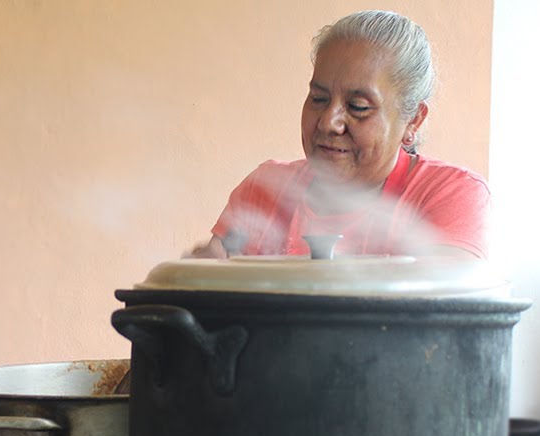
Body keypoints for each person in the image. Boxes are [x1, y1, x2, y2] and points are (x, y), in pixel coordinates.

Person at [194, 10, 489, 259]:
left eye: (358, 106)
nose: (328, 123)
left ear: (413, 119)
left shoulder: (448, 194)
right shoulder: (265, 190)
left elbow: (443, 314)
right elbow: (212, 297)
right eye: (319, 99)